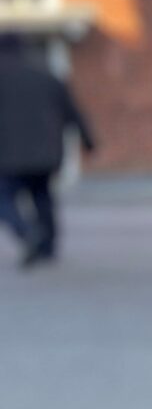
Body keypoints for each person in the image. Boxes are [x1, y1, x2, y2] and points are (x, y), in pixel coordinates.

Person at [0, 32, 95, 266]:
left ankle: (28, 232)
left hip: (9, 154)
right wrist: (88, 140)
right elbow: (71, 110)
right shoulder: (46, 75)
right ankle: (48, 246)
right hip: (46, 152)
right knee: (42, 196)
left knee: (4, 198)